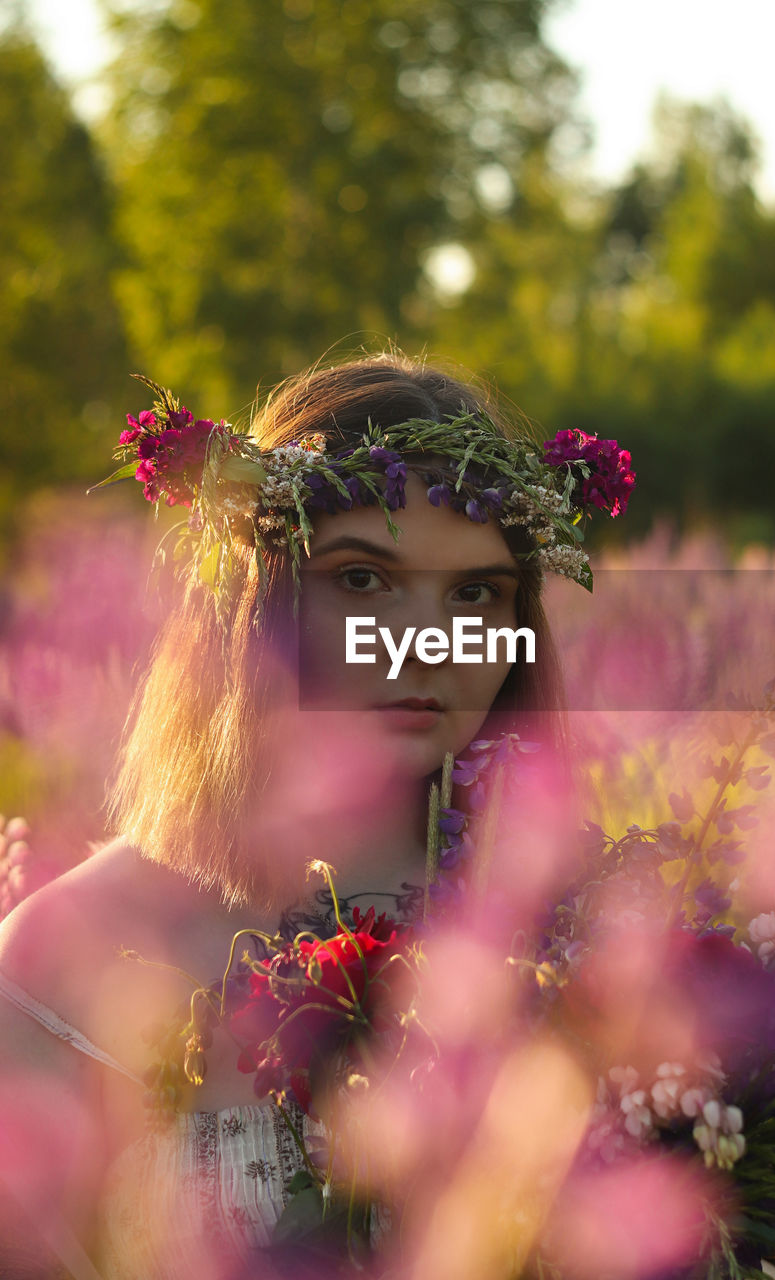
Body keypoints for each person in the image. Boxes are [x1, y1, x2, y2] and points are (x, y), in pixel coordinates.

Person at [0, 350, 632, 1278]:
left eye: (474, 593)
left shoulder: (589, 937)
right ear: (252, 607)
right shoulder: (64, 950)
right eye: (363, 579)